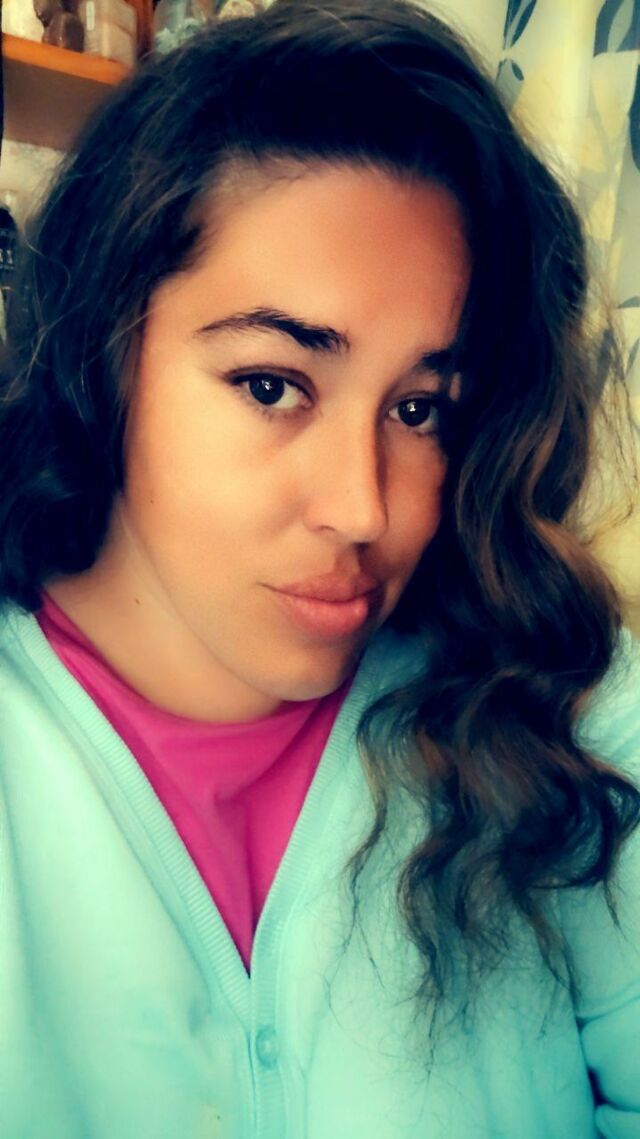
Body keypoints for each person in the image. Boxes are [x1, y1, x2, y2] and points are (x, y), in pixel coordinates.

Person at [0, 1, 639, 1135]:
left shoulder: (560, 708)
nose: (364, 507)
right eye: (272, 384)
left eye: (420, 408)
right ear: (107, 354)